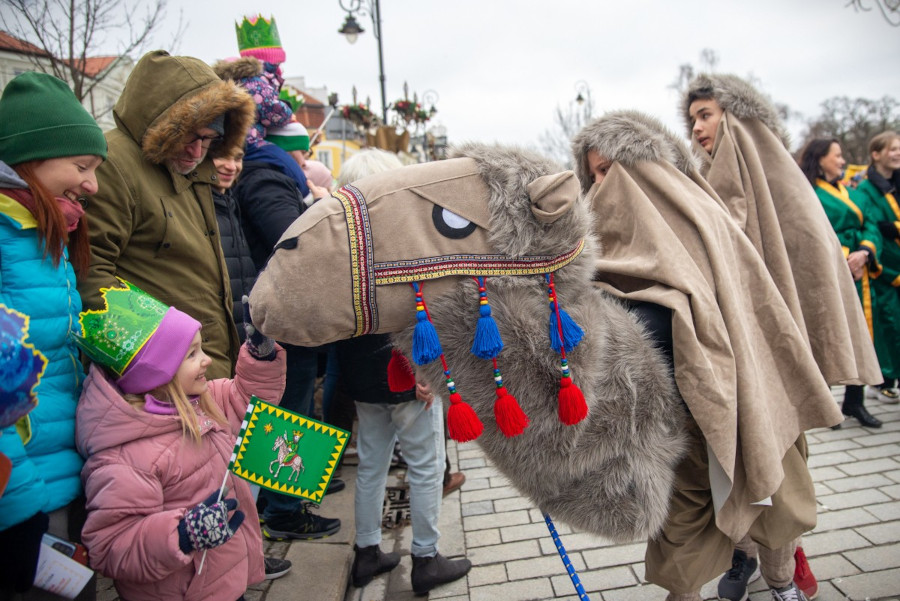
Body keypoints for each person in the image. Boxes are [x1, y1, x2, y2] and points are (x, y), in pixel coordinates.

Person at [571, 111, 842, 601]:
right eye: (593, 173)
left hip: (749, 403)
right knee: (680, 543)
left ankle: (781, 584)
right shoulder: (587, 248)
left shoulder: (704, 219)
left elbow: (754, 308)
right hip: (671, 428)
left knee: (776, 509)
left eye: (610, 170)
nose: (599, 185)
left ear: (646, 166)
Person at [682, 73, 882, 601]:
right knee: (732, 461)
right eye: (692, 118)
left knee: (782, 459)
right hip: (728, 351)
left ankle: (784, 559)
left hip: (775, 350)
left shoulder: (779, 181)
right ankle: (747, 555)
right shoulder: (699, 180)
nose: (697, 127)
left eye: (705, 114)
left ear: (734, 113)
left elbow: (807, 257)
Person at [74, 281, 287, 601]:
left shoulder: (200, 401)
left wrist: (260, 354)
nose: (205, 360)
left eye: (201, 349)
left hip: (222, 581)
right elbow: (110, 545)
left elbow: (247, 404)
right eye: (191, 354)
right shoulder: (125, 458)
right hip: (182, 591)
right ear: (156, 372)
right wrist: (184, 534)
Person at [336, 149, 471, 595]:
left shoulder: (341, 248)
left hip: (362, 375)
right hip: (408, 375)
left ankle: (368, 553)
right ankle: (427, 557)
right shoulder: (404, 243)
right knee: (426, 466)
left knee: (372, 465)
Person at [77, 50, 256, 381]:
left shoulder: (194, 169)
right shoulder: (113, 163)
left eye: (209, 139)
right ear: (164, 124)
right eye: (190, 136)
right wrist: (160, 358)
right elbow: (88, 277)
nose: (198, 150)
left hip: (200, 369)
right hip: (159, 379)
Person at [0, 71, 107, 600]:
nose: (92, 185)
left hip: (58, 472)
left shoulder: (43, 230)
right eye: (82, 167)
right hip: (23, 491)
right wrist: (20, 502)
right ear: (32, 160)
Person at [799, 138, 892, 428]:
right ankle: (823, 403)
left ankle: (855, 400)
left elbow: (870, 225)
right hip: (827, 275)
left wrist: (864, 252)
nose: (842, 161)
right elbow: (805, 234)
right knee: (827, 334)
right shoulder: (807, 193)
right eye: (837, 156)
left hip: (859, 275)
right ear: (820, 158)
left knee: (861, 336)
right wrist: (845, 256)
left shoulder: (850, 192)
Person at [853, 130, 900, 403]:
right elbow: (873, 228)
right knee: (887, 325)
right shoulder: (867, 190)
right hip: (885, 272)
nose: (897, 153)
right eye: (892, 149)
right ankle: (883, 379)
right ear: (876, 154)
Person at [211, 146, 257, 342]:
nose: (231, 166)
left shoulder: (229, 203)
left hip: (241, 333)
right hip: (220, 335)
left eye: (237, 158)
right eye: (221, 155)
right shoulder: (203, 208)